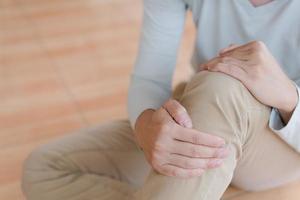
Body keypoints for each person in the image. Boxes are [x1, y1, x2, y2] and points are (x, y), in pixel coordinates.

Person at [22, 0, 300, 199]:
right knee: (45, 168)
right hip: (204, 117)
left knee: (221, 88)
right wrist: (146, 128)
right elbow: (150, 78)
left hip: (280, 143)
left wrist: (288, 95)